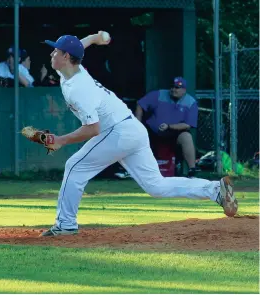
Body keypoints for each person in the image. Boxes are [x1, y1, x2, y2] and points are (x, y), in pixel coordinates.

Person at [41, 31, 238, 236]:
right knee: (156, 186)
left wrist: (62, 140)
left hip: (116, 131)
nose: (51, 54)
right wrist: (98, 38)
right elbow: (80, 45)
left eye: (56, 50)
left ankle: (65, 224)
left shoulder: (79, 88)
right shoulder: (73, 69)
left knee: (74, 166)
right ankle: (215, 190)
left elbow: (93, 129)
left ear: (66, 57)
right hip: (131, 129)